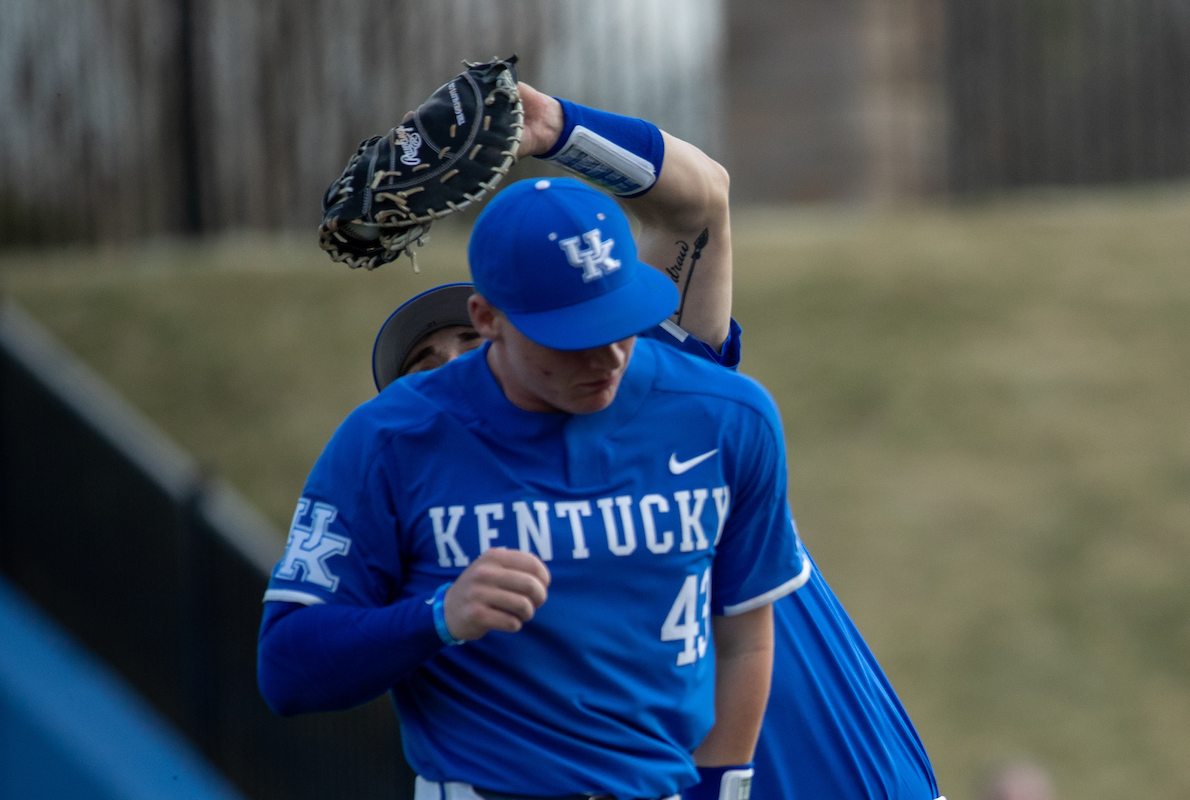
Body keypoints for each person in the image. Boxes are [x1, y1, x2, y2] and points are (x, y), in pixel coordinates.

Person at [365, 86, 946, 800]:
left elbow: (698, 205)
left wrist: (553, 128)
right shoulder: (444, 558)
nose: (456, 363)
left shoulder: (648, 386)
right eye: (425, 368)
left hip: (854, 774)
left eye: (467, 337)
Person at [258, 86, 808, 800]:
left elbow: (745, 633)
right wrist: (437, 619)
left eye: (619, 322)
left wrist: (556, 127)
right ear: (489, 319)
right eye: (571, 339)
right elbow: (287, 671)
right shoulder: (389, 440)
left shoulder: (714, 407)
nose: (606, 355)